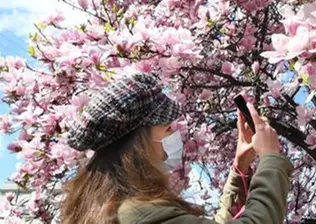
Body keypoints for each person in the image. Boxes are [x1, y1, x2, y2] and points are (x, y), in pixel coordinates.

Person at [60, 72, 293, 223]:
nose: (175, 134)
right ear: (138, 141)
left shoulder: (106, 208)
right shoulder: (140, 213)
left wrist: (240, 168)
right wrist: (271, 158)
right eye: (167, 128)